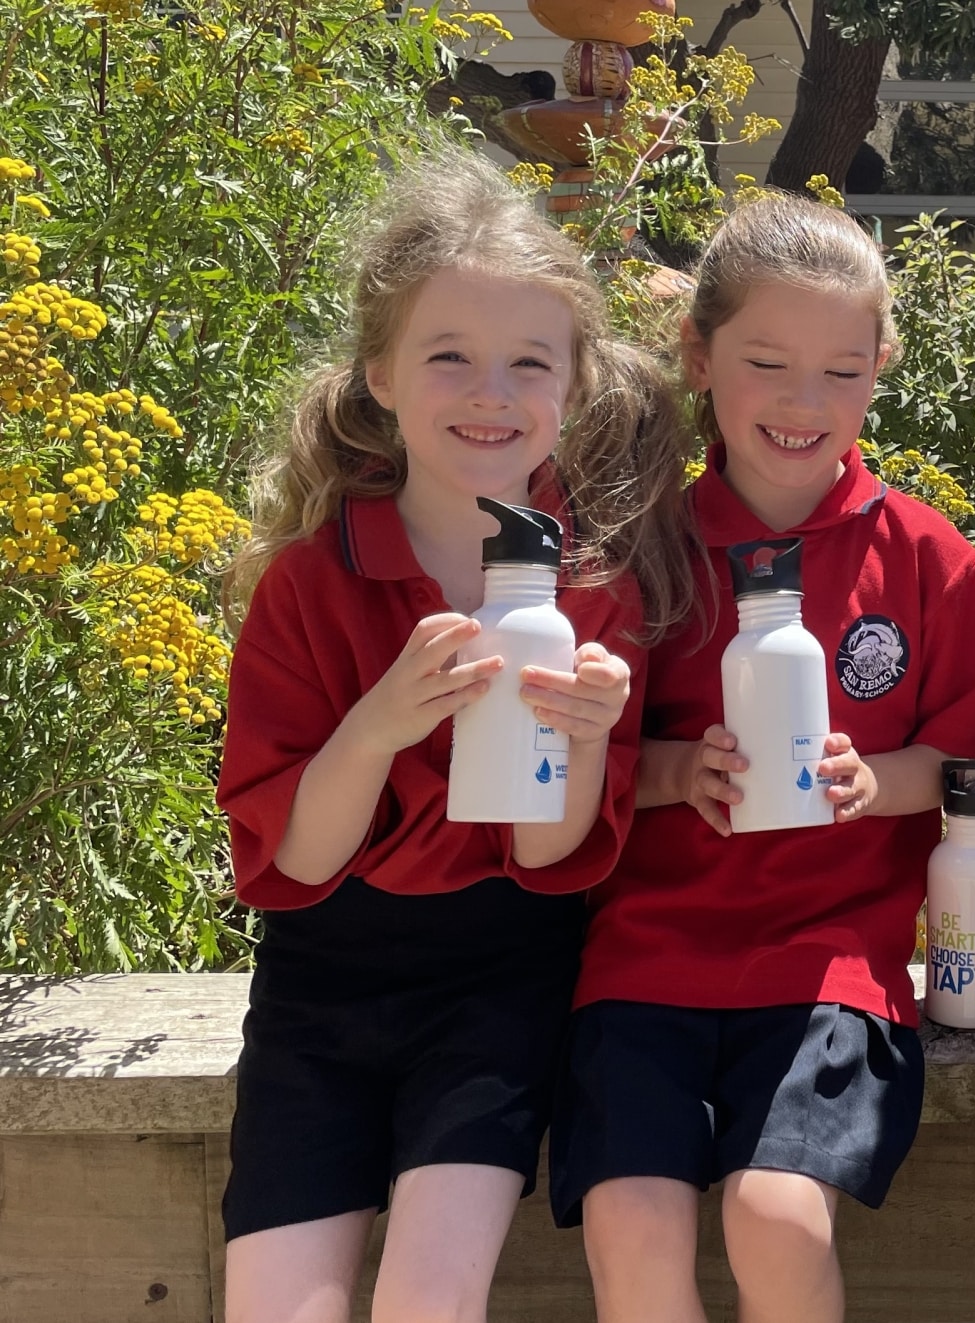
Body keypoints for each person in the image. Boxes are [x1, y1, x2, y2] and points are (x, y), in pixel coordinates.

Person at [215, 149, 696, 1323]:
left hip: (501, 983)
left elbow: (545, 858)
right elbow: (296, 862)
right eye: (448, 357)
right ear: (380, 375)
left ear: (573, 387)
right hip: (319, 985)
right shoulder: (311, 583)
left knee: (429, 1302)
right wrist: (378, 723)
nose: (491, 393)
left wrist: (585, 739)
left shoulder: (591, 595)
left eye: (528, 362)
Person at [548, 192, 975, 1323]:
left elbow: (967, 761)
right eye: (767, 365)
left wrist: (875, 784)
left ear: (880, 368)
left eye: (841, 371)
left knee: (777, 1216)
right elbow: (583, 751)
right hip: (644, 959)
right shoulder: (643, 545)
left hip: (830, 965)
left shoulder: (927, 557)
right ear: (699, 357)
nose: (804, 404)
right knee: (629, 1223)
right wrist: (674, 771)